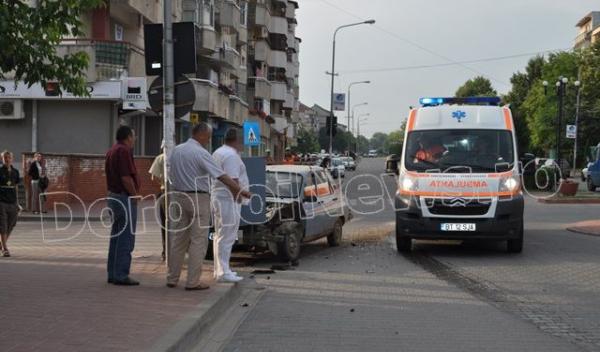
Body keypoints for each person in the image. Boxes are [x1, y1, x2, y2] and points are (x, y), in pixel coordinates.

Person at [167, 122, 251, 290]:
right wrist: (242, 191)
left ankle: (172, 278)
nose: (209, 140)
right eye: (209, 136)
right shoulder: (201, 153)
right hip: (198, 198)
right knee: (198, 240)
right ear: (203, 135)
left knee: (178, 240)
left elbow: (170, 174)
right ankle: (193, 281)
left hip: (177, 196)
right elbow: (222, 176)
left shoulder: (176, 151)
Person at [212, 129, 249, 283]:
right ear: (237, 140)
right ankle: (223, 271)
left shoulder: (219, 152)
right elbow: (233, 180)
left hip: (220, 197)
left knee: (220, 235)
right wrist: (239, 196)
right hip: (228, 199)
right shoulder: (231, 156)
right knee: (227, 236)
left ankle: (220, 269)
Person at [105, 125, 140, 286]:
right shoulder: (124, 151)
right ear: (128, 137)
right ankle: (121, 274)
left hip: (113, 196)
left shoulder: (112, 150)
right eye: (133, 136)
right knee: (126, 238)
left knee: (116, 237)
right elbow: (126, 177)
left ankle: (113, 273)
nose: (135, 139)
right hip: (124, 197)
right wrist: (134, 195)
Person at [0, 151, 20, 257]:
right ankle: (4, 248)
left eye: (9, 157)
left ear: (12, 158)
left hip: (12, 202)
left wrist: (17, 203)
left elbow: (16, 187)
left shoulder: (15, 172)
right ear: (2, 159)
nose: (7, 159)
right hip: (1, 202)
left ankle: (1, 244)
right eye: (5, 157)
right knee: (3, 225)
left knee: (11, 224)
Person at [149, 149, 167, 261]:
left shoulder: (160, 158)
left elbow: (154, 176)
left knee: (165, 223)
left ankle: (166, 252)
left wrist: (163, 183)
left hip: (165, 193)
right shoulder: (180, 155)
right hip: (182, 193)